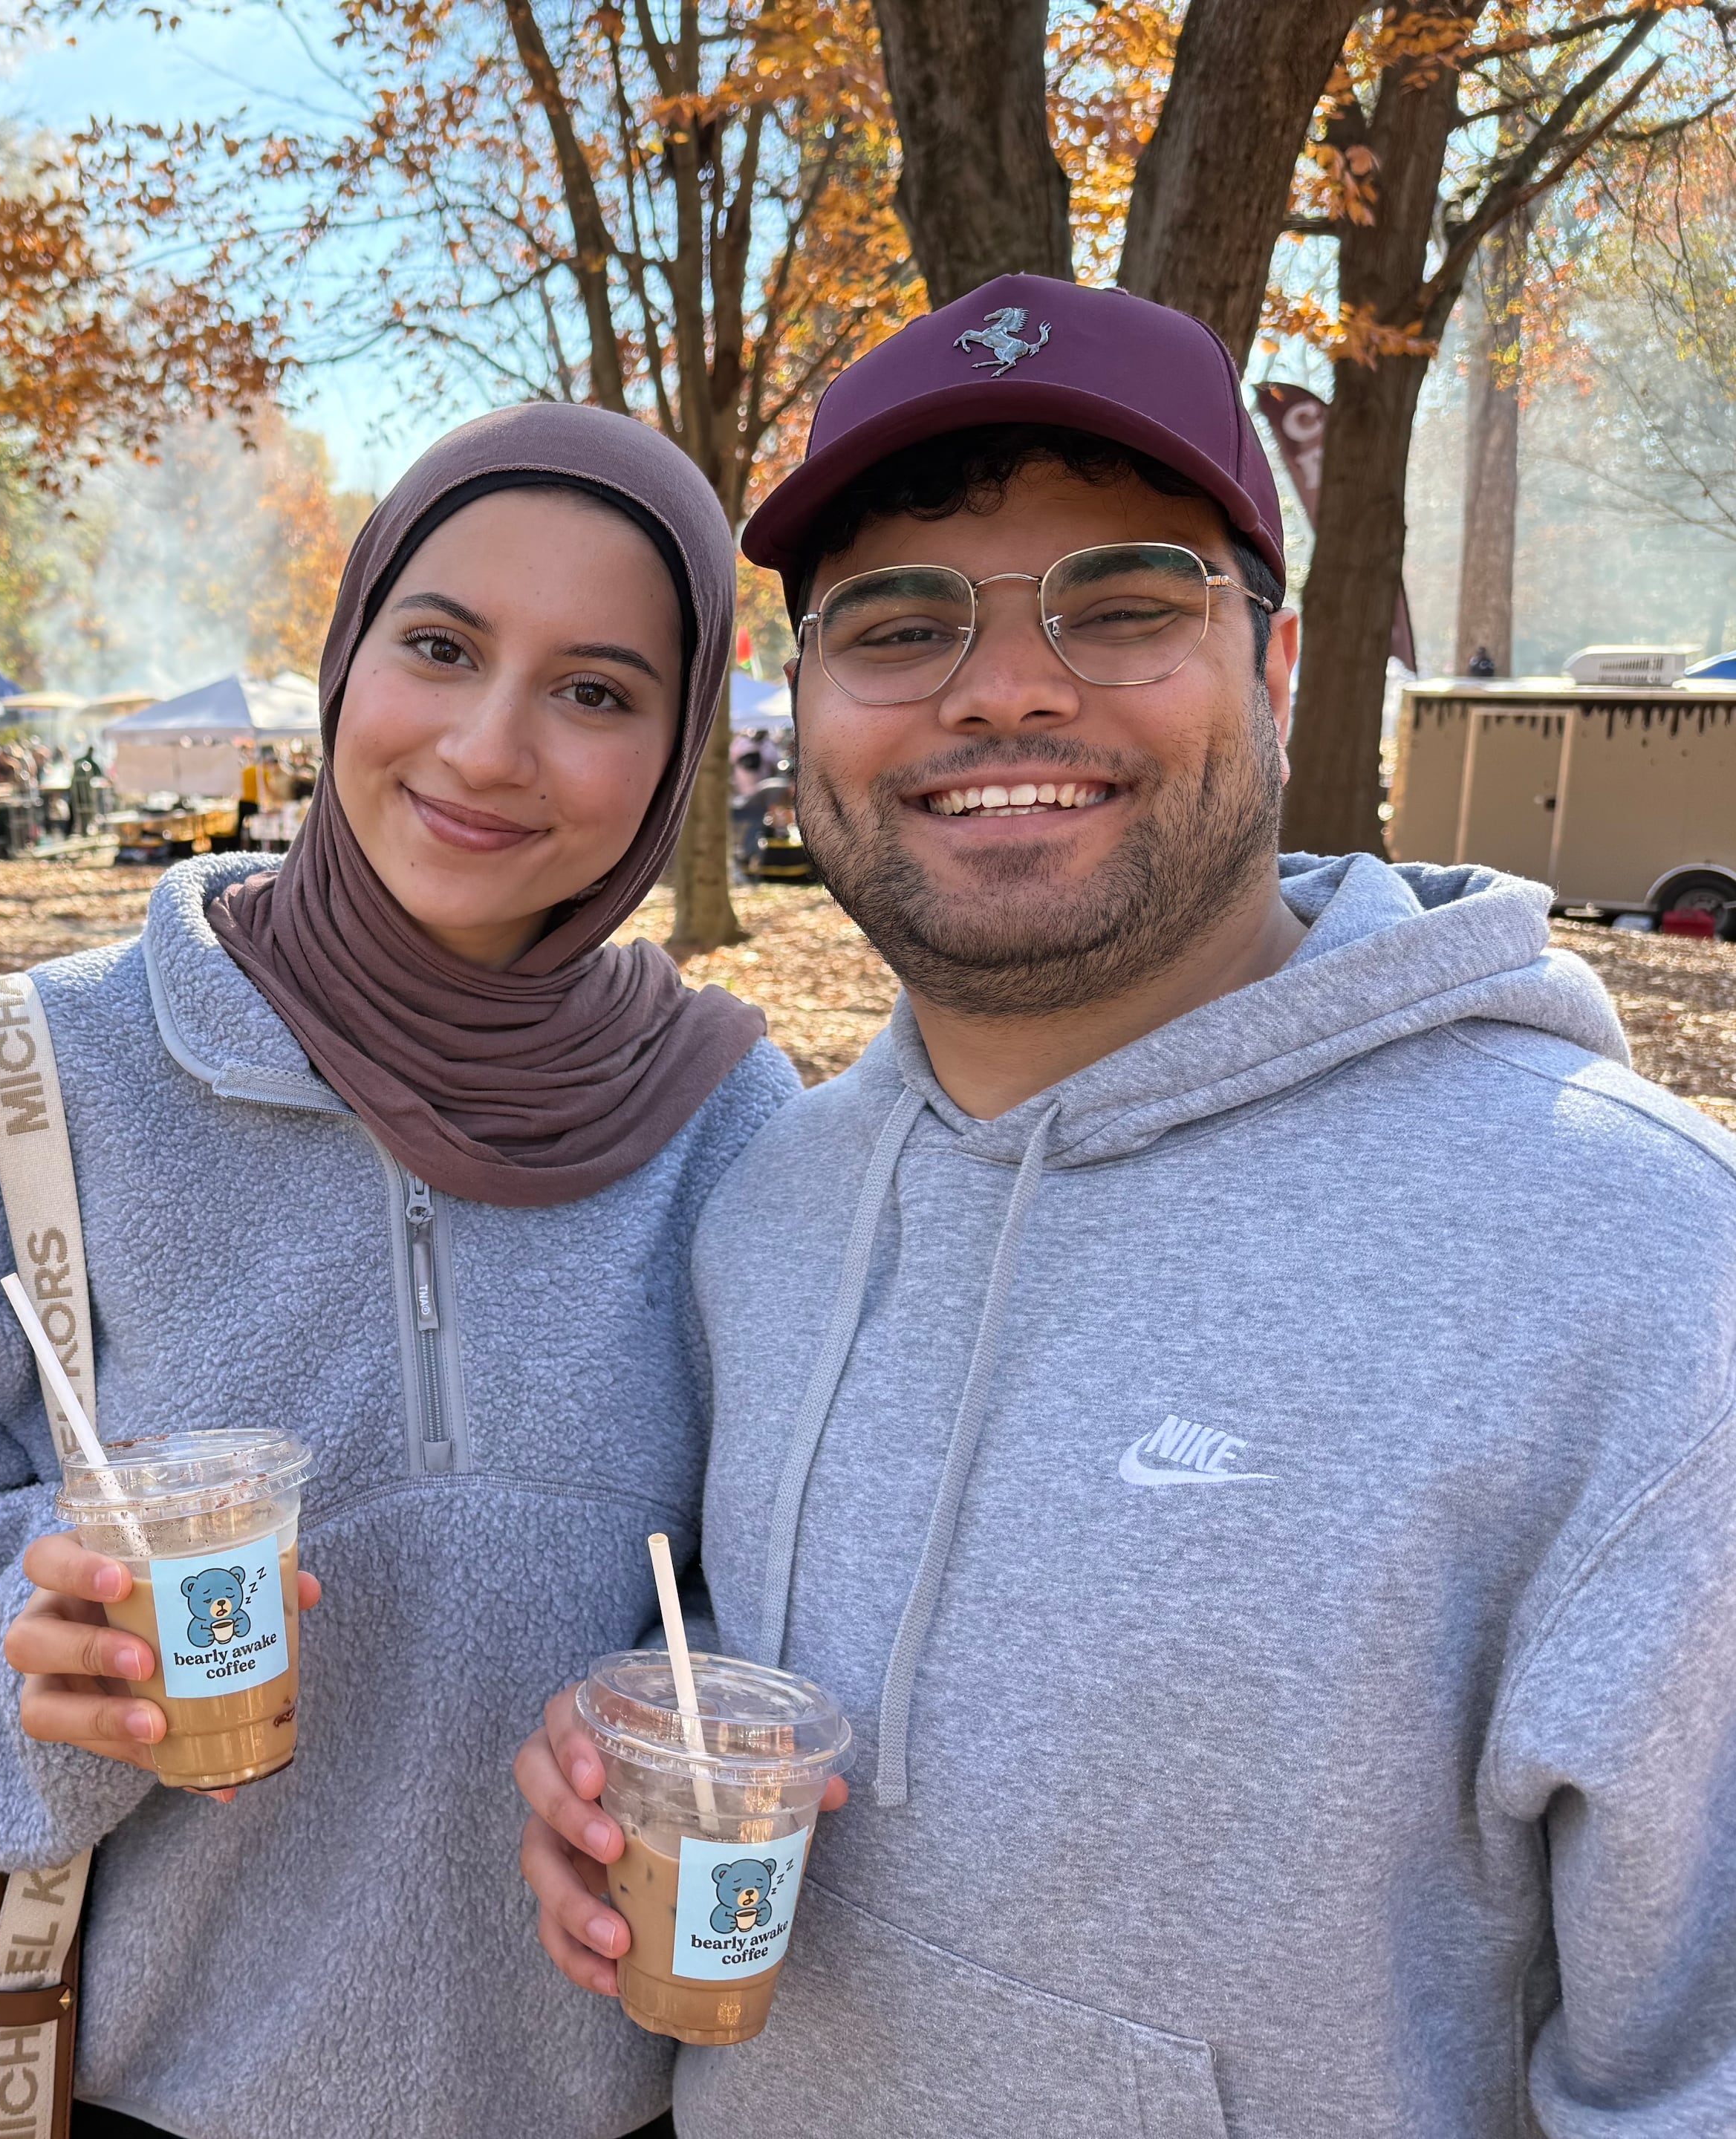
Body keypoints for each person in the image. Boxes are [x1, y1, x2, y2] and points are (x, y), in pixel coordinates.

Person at [513, 275, 1736, 2135]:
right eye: (898, 620)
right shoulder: (769, 1205)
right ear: (804, 704)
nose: (1002, 683)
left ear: (1273, 661)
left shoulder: (1640, 1268)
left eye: (1123, 600)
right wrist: (619, 1754)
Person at [0, 405, 828, 2139]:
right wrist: (25, 1655)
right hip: (140, 2092)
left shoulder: (733, 1125)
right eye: (439, 646)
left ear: (679, 745)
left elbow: (793, 1596)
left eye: (595, 690)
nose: (487, 749)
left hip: (596, 2101)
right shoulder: (46, 1079)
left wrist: (666, 1717)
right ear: (344, 658)